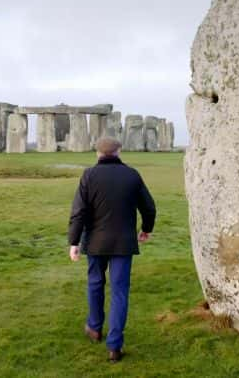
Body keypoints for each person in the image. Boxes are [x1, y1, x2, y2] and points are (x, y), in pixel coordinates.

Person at [67, 137, 157, 363]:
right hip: (123, 243)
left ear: (97, 153)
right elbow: (149, 206)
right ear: (119, 151)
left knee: (95, 283)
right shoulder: (131, 175)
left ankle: (94, 328)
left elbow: (79, 212)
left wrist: (74, 242)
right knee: (119, 291)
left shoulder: (89, 175)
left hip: (95, 242)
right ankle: (115, 346)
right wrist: (146, 229)